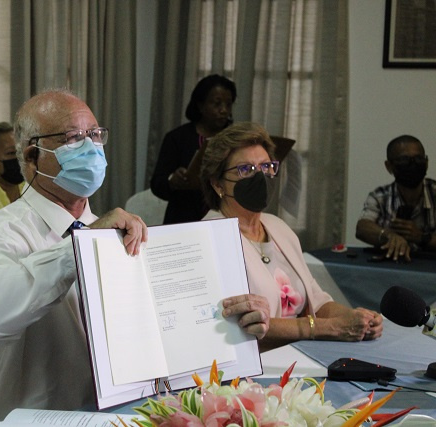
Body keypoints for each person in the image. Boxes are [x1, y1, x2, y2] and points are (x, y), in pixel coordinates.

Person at [0, 89, 270, 426]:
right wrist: (79, 248)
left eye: (96, 135)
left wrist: (233, 324)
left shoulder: (118, 235)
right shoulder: (2, 231)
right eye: (74, 138)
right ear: (32, 157)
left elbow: (164, 336)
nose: (91, 148)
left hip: (112, 416)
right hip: (21, 420)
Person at [200, 122, 383, 352]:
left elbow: (317, 299)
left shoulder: (277, 227)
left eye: (266, 166)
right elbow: (243, 323)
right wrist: (328, 328)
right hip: (259, 367)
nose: (261, 176)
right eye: (246, 169)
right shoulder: (210, 237)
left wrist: (356, 318)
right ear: (217, 184)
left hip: (303, 356)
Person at [151, 74, 236, 224]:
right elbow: (157, 184)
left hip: (224, 218)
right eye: (217, 104)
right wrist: (173, 181)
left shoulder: (235, 139)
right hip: (184, 219)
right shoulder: (177, 138)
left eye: (228, 104)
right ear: (200, 105)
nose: (224, 110)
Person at [356, 135, 435, 261]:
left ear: (426, 163)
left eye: (418, 159)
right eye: (404, 160)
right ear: (389, 166)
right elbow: (362, 228)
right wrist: (389, 235)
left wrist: (421, 237)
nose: (412, 164)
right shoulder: (380, 196)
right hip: (391, 270)